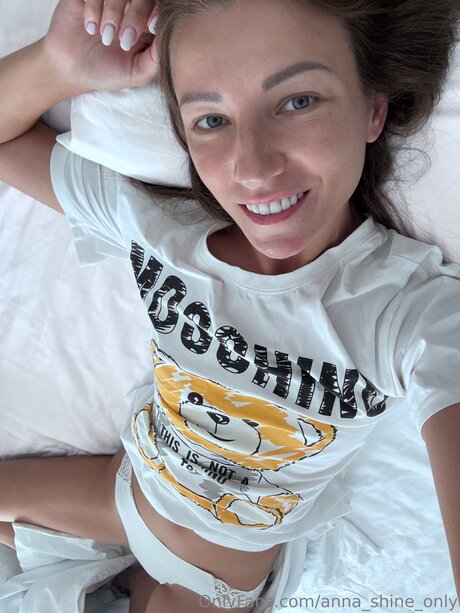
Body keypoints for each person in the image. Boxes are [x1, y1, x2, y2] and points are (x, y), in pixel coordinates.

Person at [0, 0, 459, 611]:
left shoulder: (411, 312)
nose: (253, 168)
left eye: (298, 101)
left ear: (374, 107)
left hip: (211, 575)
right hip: (124, 493)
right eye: (211, 120)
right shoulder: (159, 231)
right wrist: (57, 65)